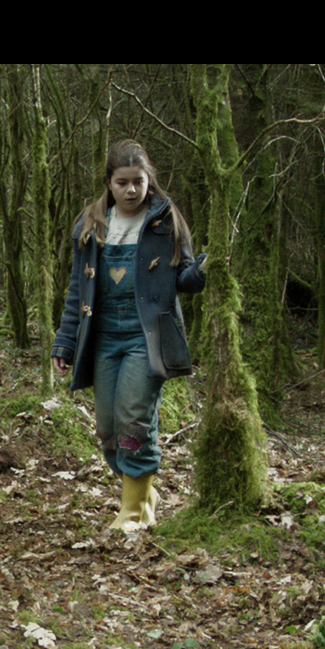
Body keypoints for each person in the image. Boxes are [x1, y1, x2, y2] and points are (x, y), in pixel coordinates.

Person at [53, 139, 206, 531]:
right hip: (102, 335)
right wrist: (65, 341)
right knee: (107, 428)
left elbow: (183, 278)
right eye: (123, 182)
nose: (132, 190)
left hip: (147, 335)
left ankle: (133, 513)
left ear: (148, 180)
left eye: (138, 181)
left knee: (133, 418)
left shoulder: (165, 220)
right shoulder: (90, 224)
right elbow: (77, 290)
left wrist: (203, 271)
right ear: (109, 183)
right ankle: (141, 493)